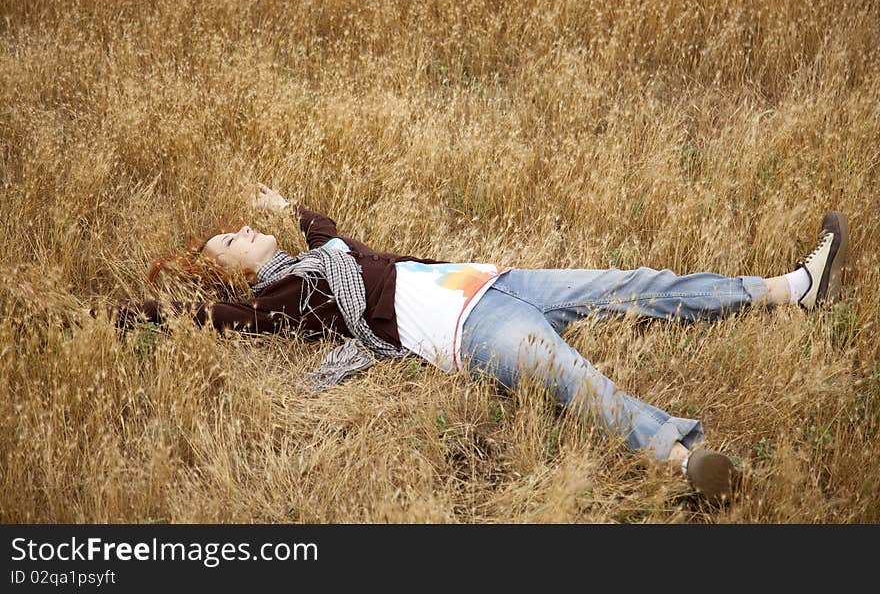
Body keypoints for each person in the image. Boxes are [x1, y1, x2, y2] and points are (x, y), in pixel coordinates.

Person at [99, 183, 850, 504]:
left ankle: (789, 290)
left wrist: (285, 205)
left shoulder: (315, 260)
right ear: (229, 268)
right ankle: (683, 460)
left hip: (496, 279)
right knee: (573, 381)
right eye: (233, 238)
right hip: (473, 329)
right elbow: (204, 320)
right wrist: (120, 315)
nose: (245, 229)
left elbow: (335, 235)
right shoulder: (279, 298)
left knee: (639, 282)